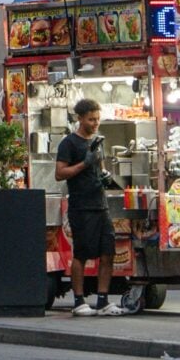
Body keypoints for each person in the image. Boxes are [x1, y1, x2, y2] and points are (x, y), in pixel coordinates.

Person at [55, 98, 114, 315]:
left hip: (101, 204)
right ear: (80, 118)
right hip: (81, 206)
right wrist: (83, 164)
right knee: (81, 253)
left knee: (108, 252)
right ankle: (79, 300)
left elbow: (100, 167)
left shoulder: (97, 142)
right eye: (91, 119)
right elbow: (60, 173)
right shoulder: (69, 143)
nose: (95, 123)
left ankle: (103, 300)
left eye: (97, 119)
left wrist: (105, 175)